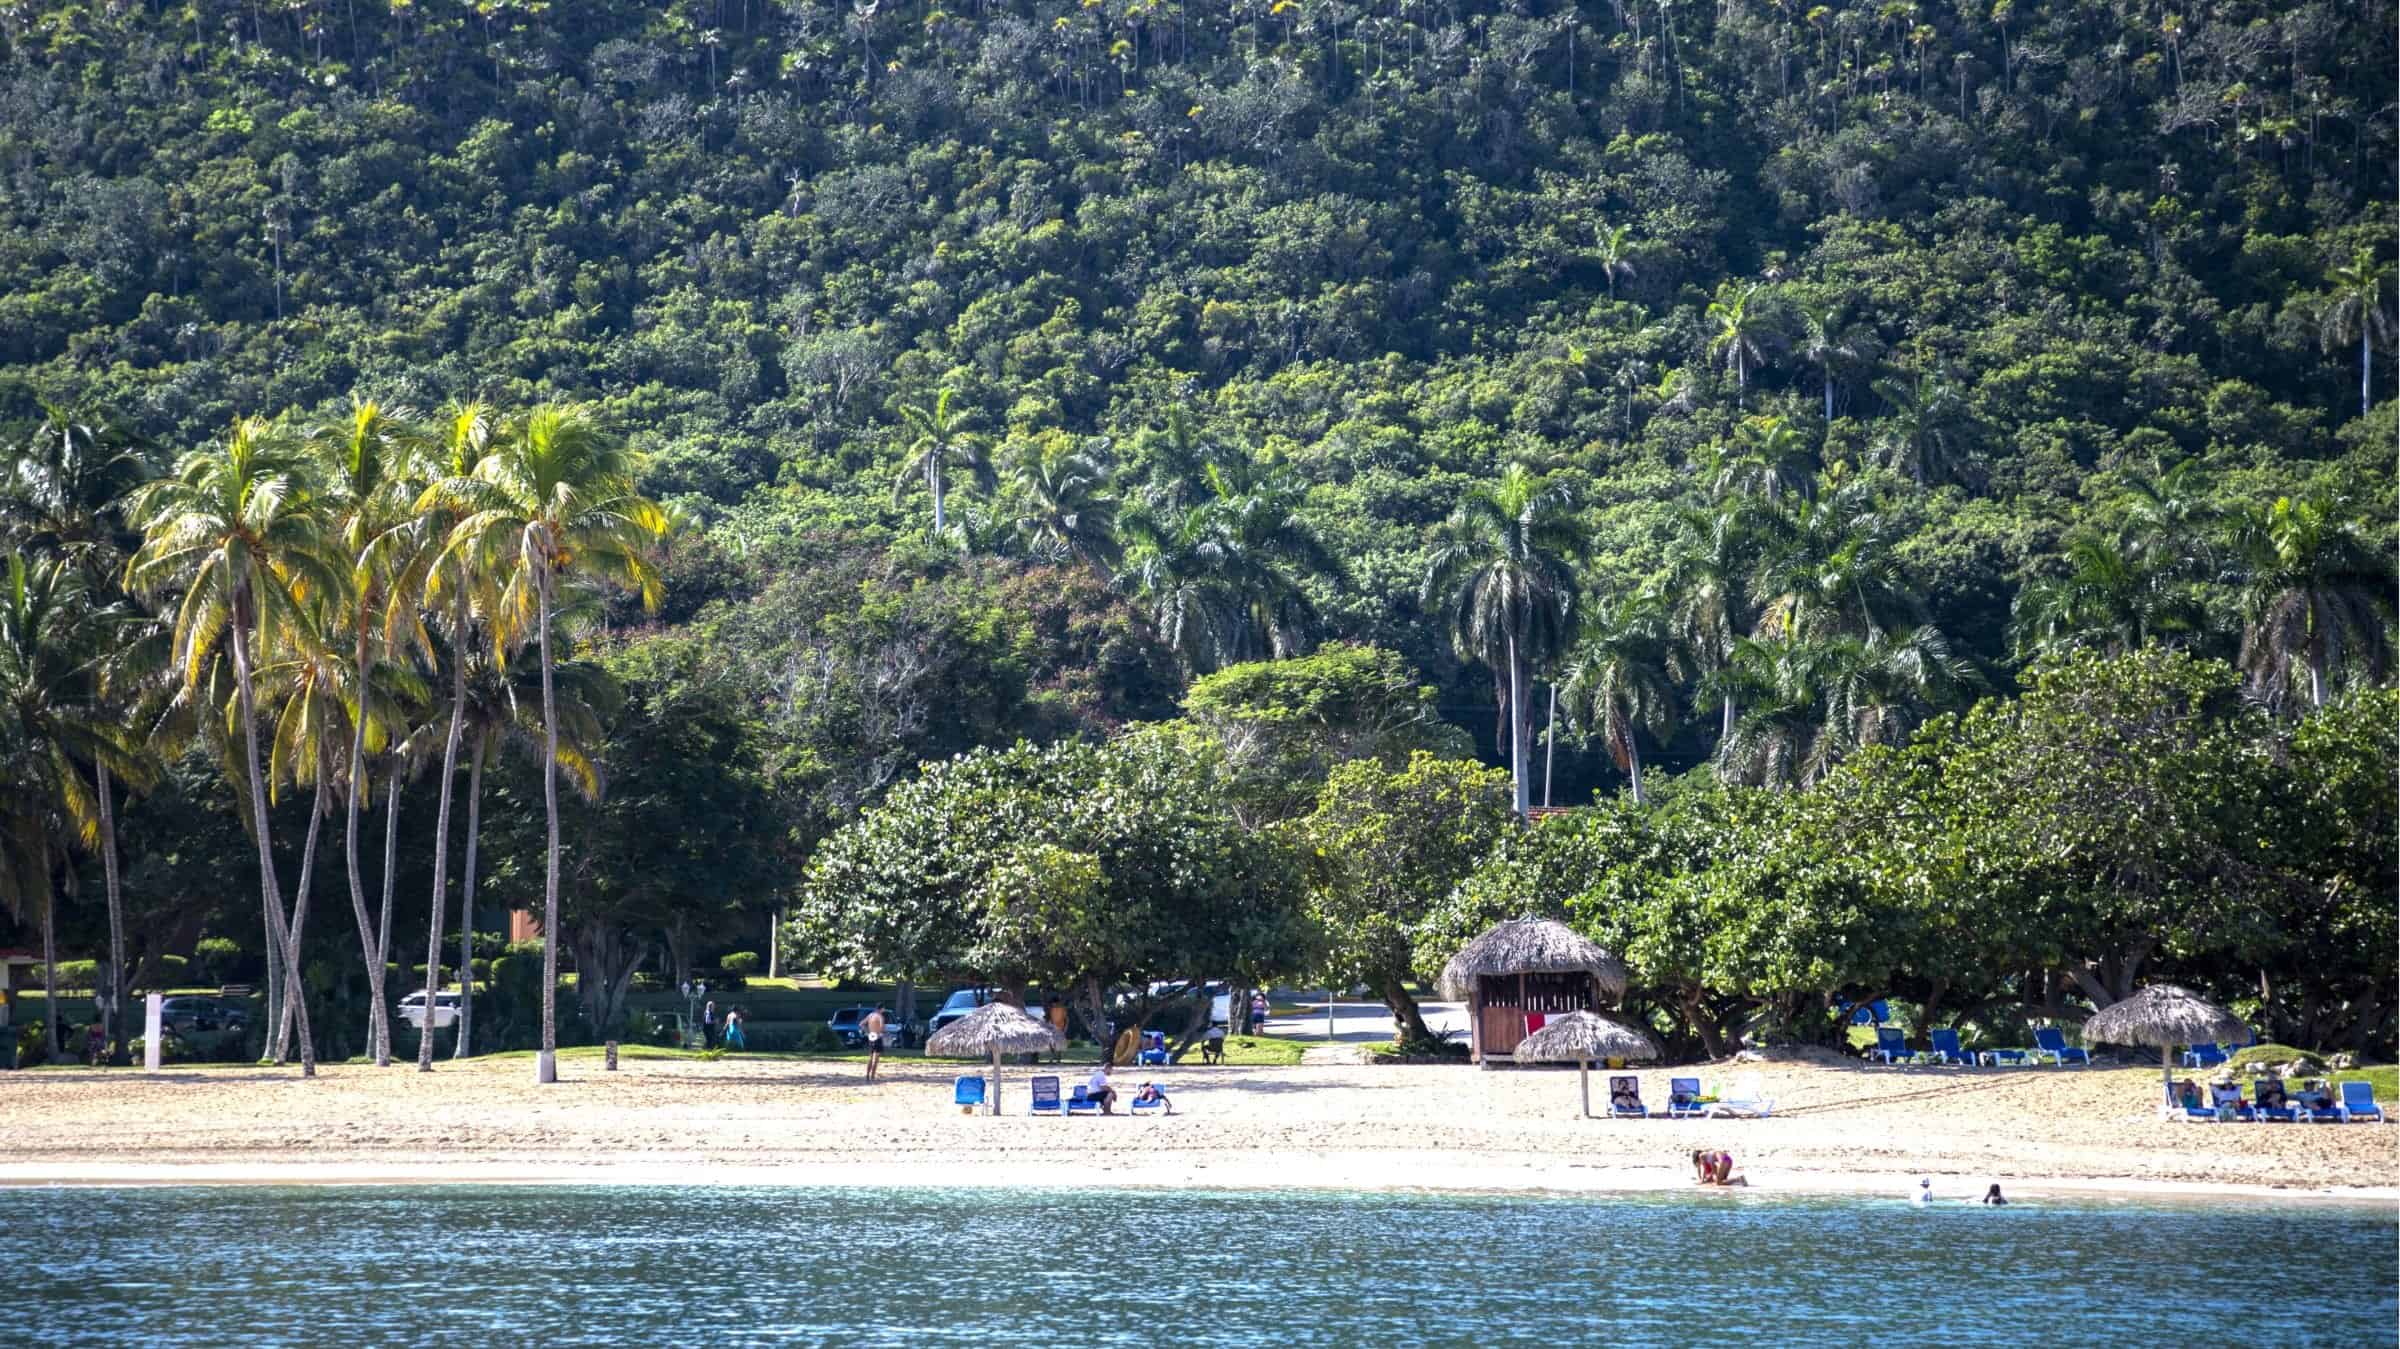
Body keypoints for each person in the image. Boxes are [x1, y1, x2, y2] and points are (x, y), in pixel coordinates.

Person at [862, 1006, 887, 1081]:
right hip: (877, 1037)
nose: (884, 1010)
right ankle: (872, 1076)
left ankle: (867, 1075)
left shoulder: (870, 1015)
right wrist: (881, 1032)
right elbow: (882, 1027)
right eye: (883, 1008)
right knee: (876, 1059)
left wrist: (867, 1032)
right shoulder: (880, 1017)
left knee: (870, 1057)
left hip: (871, 1036)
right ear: (881, 1009)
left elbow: (861, 1024)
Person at [1045, 999, 1068, 1063]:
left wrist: (1065, 1028)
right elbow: (1049, 1019)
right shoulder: (1051, 1010)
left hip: (1060, 1029)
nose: (1053, 1005)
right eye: (1053, 1004)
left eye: (1054, 1003)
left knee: (1059, 1044)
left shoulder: (1062, 1009)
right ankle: (1052, 1057)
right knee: (1051, 1044)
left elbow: (1066, 1019)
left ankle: (1058, 1059)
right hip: (1052, 1029)